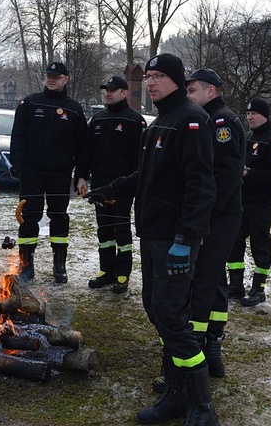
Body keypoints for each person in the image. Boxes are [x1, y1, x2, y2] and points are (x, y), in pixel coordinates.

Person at [86, 54, 220, 425]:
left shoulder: (193, 121)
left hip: (175, 239)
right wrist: (107, 189)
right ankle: (176, 394)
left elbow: (202, 187)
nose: (151, 82)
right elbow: (144, 176)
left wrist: (185, 238)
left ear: (177, 80)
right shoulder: (159, 122)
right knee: (157, 311)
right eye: (148, 76)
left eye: (159, 76)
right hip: (153, 233)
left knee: (173, 319)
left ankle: (203, 407)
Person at [184, 68, 245, 377]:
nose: (188, 96)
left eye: (193, 91)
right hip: (216, 214)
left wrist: (204, 214)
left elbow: (227, 175)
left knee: (204, 280)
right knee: (215, 279)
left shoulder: (222, 122)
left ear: (211, 91)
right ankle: (212, 346)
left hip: (220, 215)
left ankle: (200, 348)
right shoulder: (208, 119)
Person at [9, 61, 87, 284]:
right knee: (28, 217)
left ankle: (59, 266)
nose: (51, 79)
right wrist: (17, 163)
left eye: (56, 76)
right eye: (48, 75)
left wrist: (81, 173)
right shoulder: (30, 103)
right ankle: (26, 265)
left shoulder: (74, 109)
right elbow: (18, 136)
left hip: (60, 173)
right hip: (32, 172)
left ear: (65, 80)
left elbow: (83, 146)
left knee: (59, 218)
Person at [78, 75, 146, 294]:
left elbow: (140, 158)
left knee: (122, 230)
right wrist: (81, 175)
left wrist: (133, 183)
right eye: (106, 89)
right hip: (99, 183)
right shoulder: (98, 118)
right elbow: (86, 151)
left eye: (113, 90)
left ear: (125, 93)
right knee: (104, 230)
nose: (108, 93)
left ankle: (122, 273)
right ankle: (106, 270)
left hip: (123, 186)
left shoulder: (135, 120)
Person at [227, 98, 271, 307]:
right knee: (234, 242)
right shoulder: (247, 137)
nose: (250, 117)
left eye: (254, 114)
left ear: (265, 116)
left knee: (260, 244)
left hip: (262, 204)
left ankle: (258, 288)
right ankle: (234, 286)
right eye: (248, 114)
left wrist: (248, 174)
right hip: (241, 201)